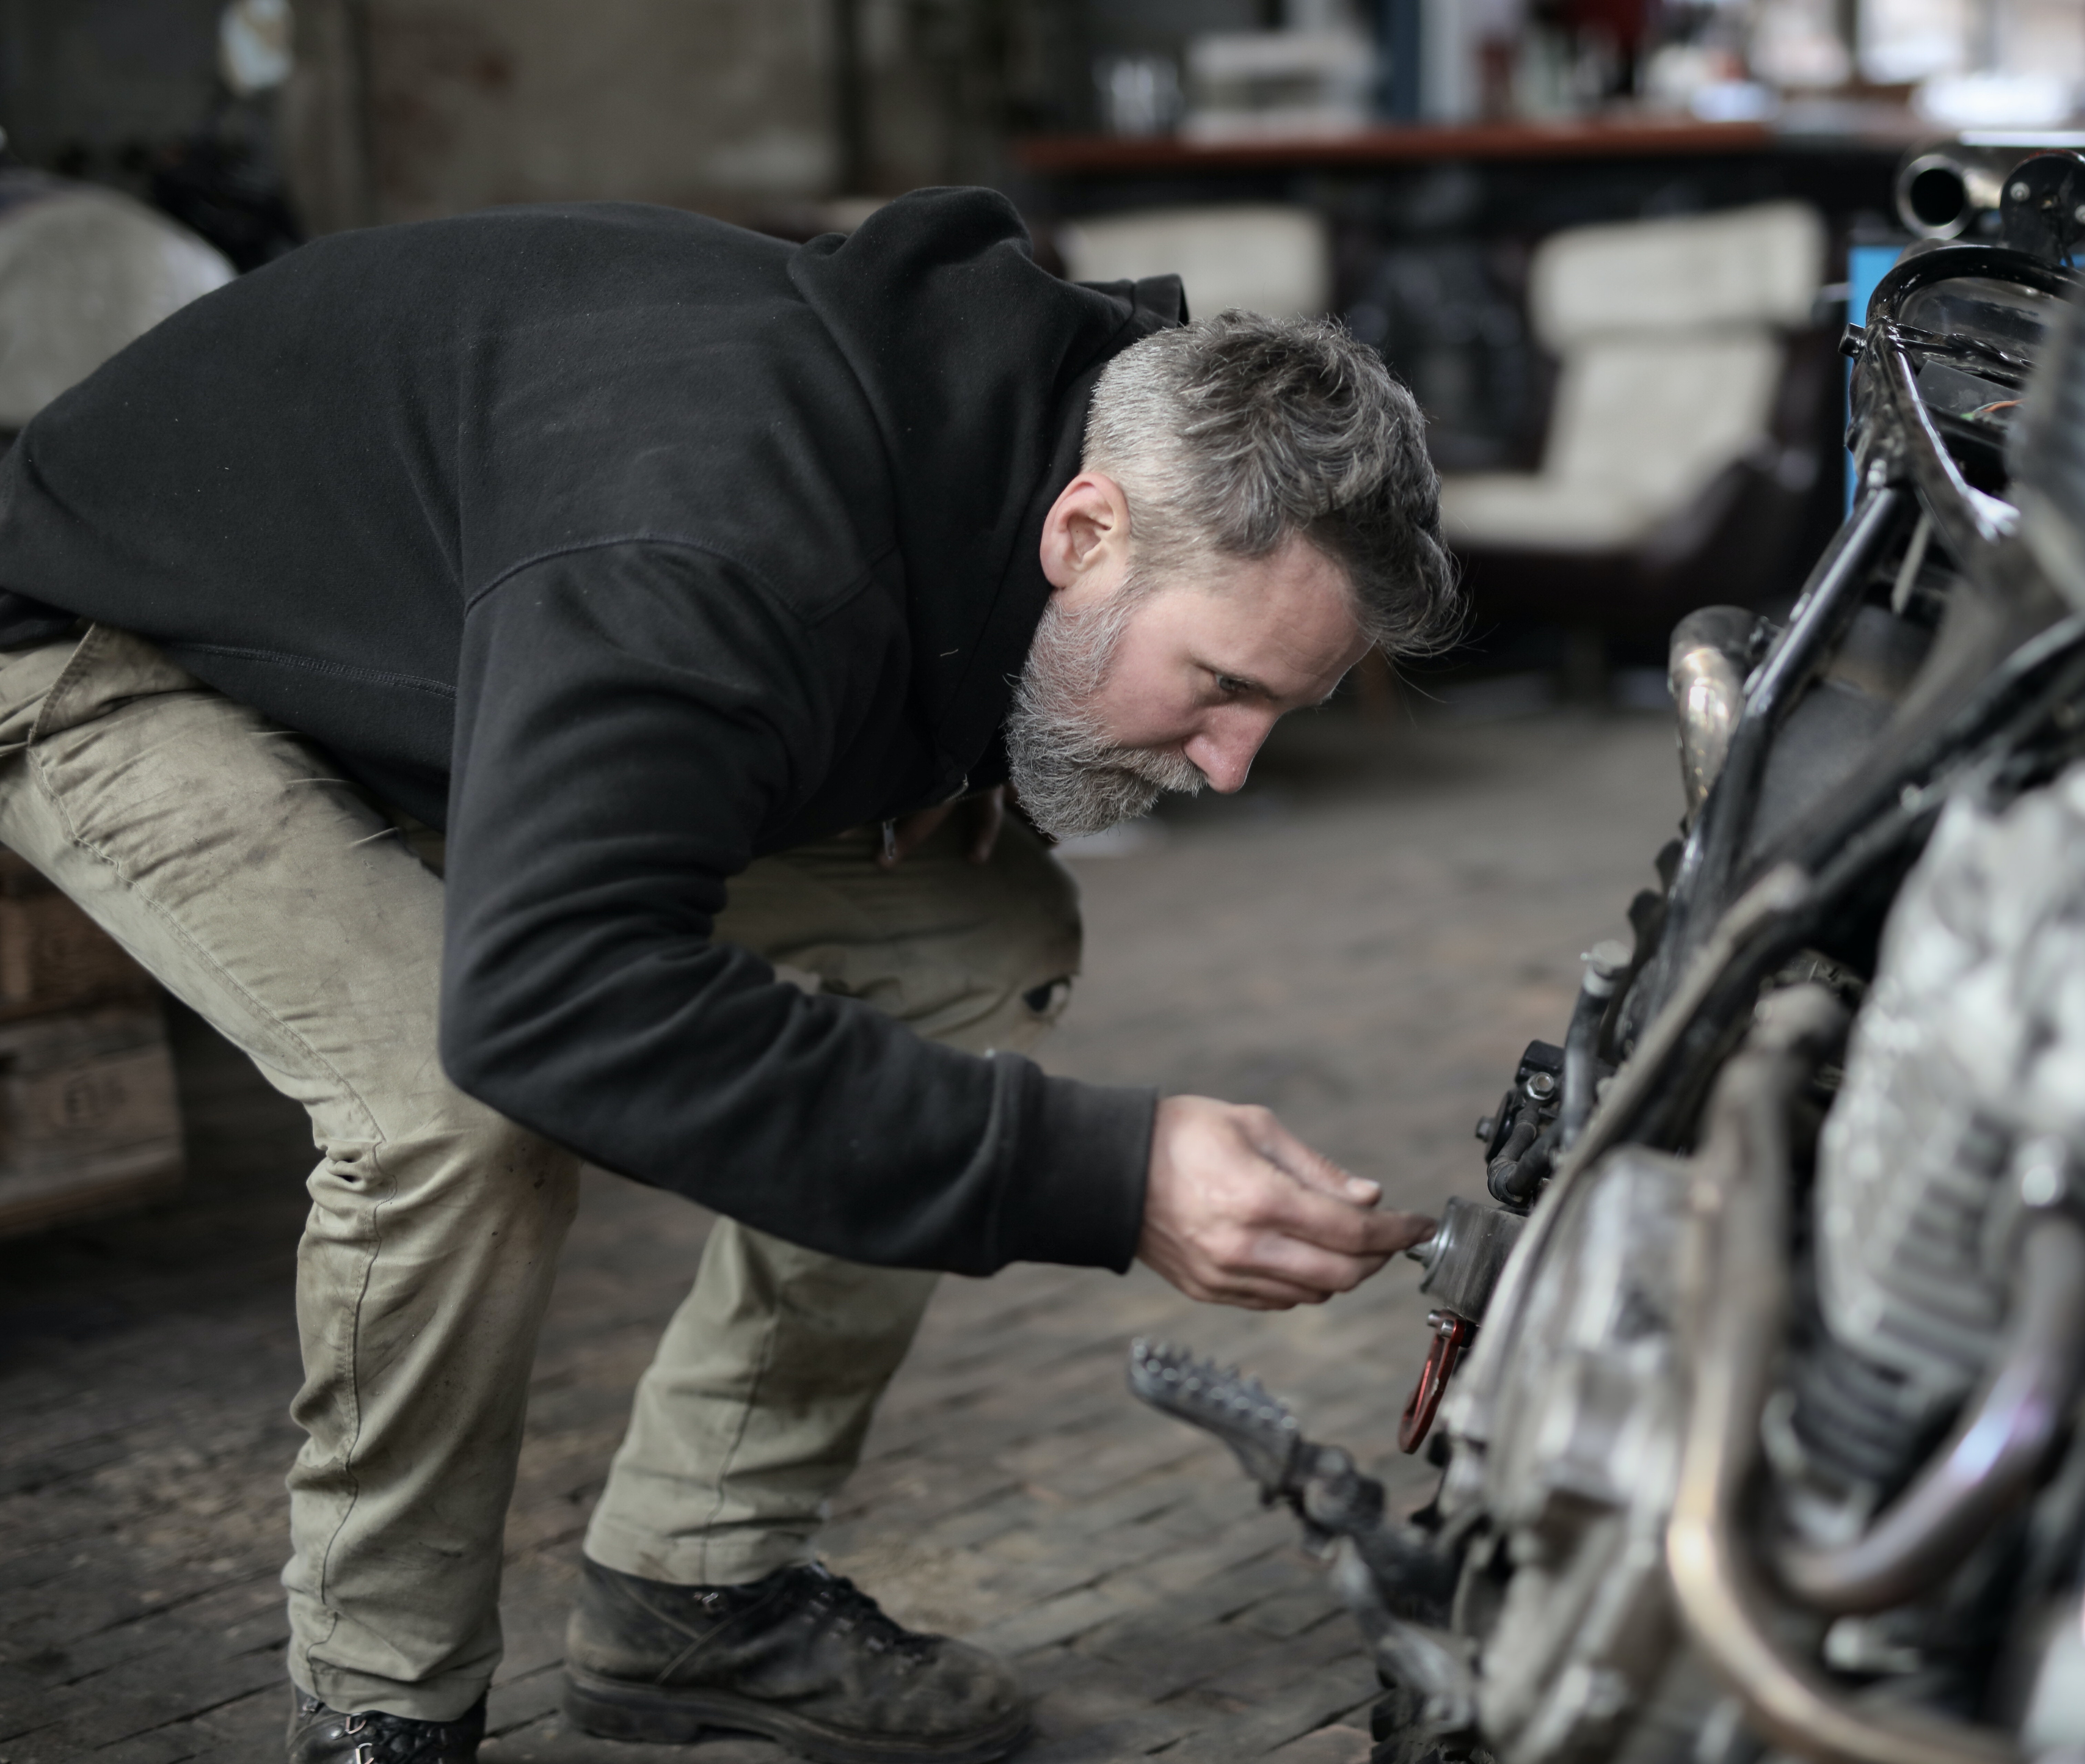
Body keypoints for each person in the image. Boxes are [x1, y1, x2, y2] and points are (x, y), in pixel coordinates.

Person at [0, 186, 1457, 1764]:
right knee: (446, 1094)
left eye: (1278, 712)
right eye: (1225, 687)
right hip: (119, 642)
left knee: (981, 940)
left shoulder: (1041, 417)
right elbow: (550, 998)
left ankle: (694, 1590)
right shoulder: (721, 537)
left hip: (438, 643)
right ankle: (383, 1700)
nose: (1236, 767)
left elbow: (921, 619)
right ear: (1086, 532)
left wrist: (956, 734)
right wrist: (1102, 1170)